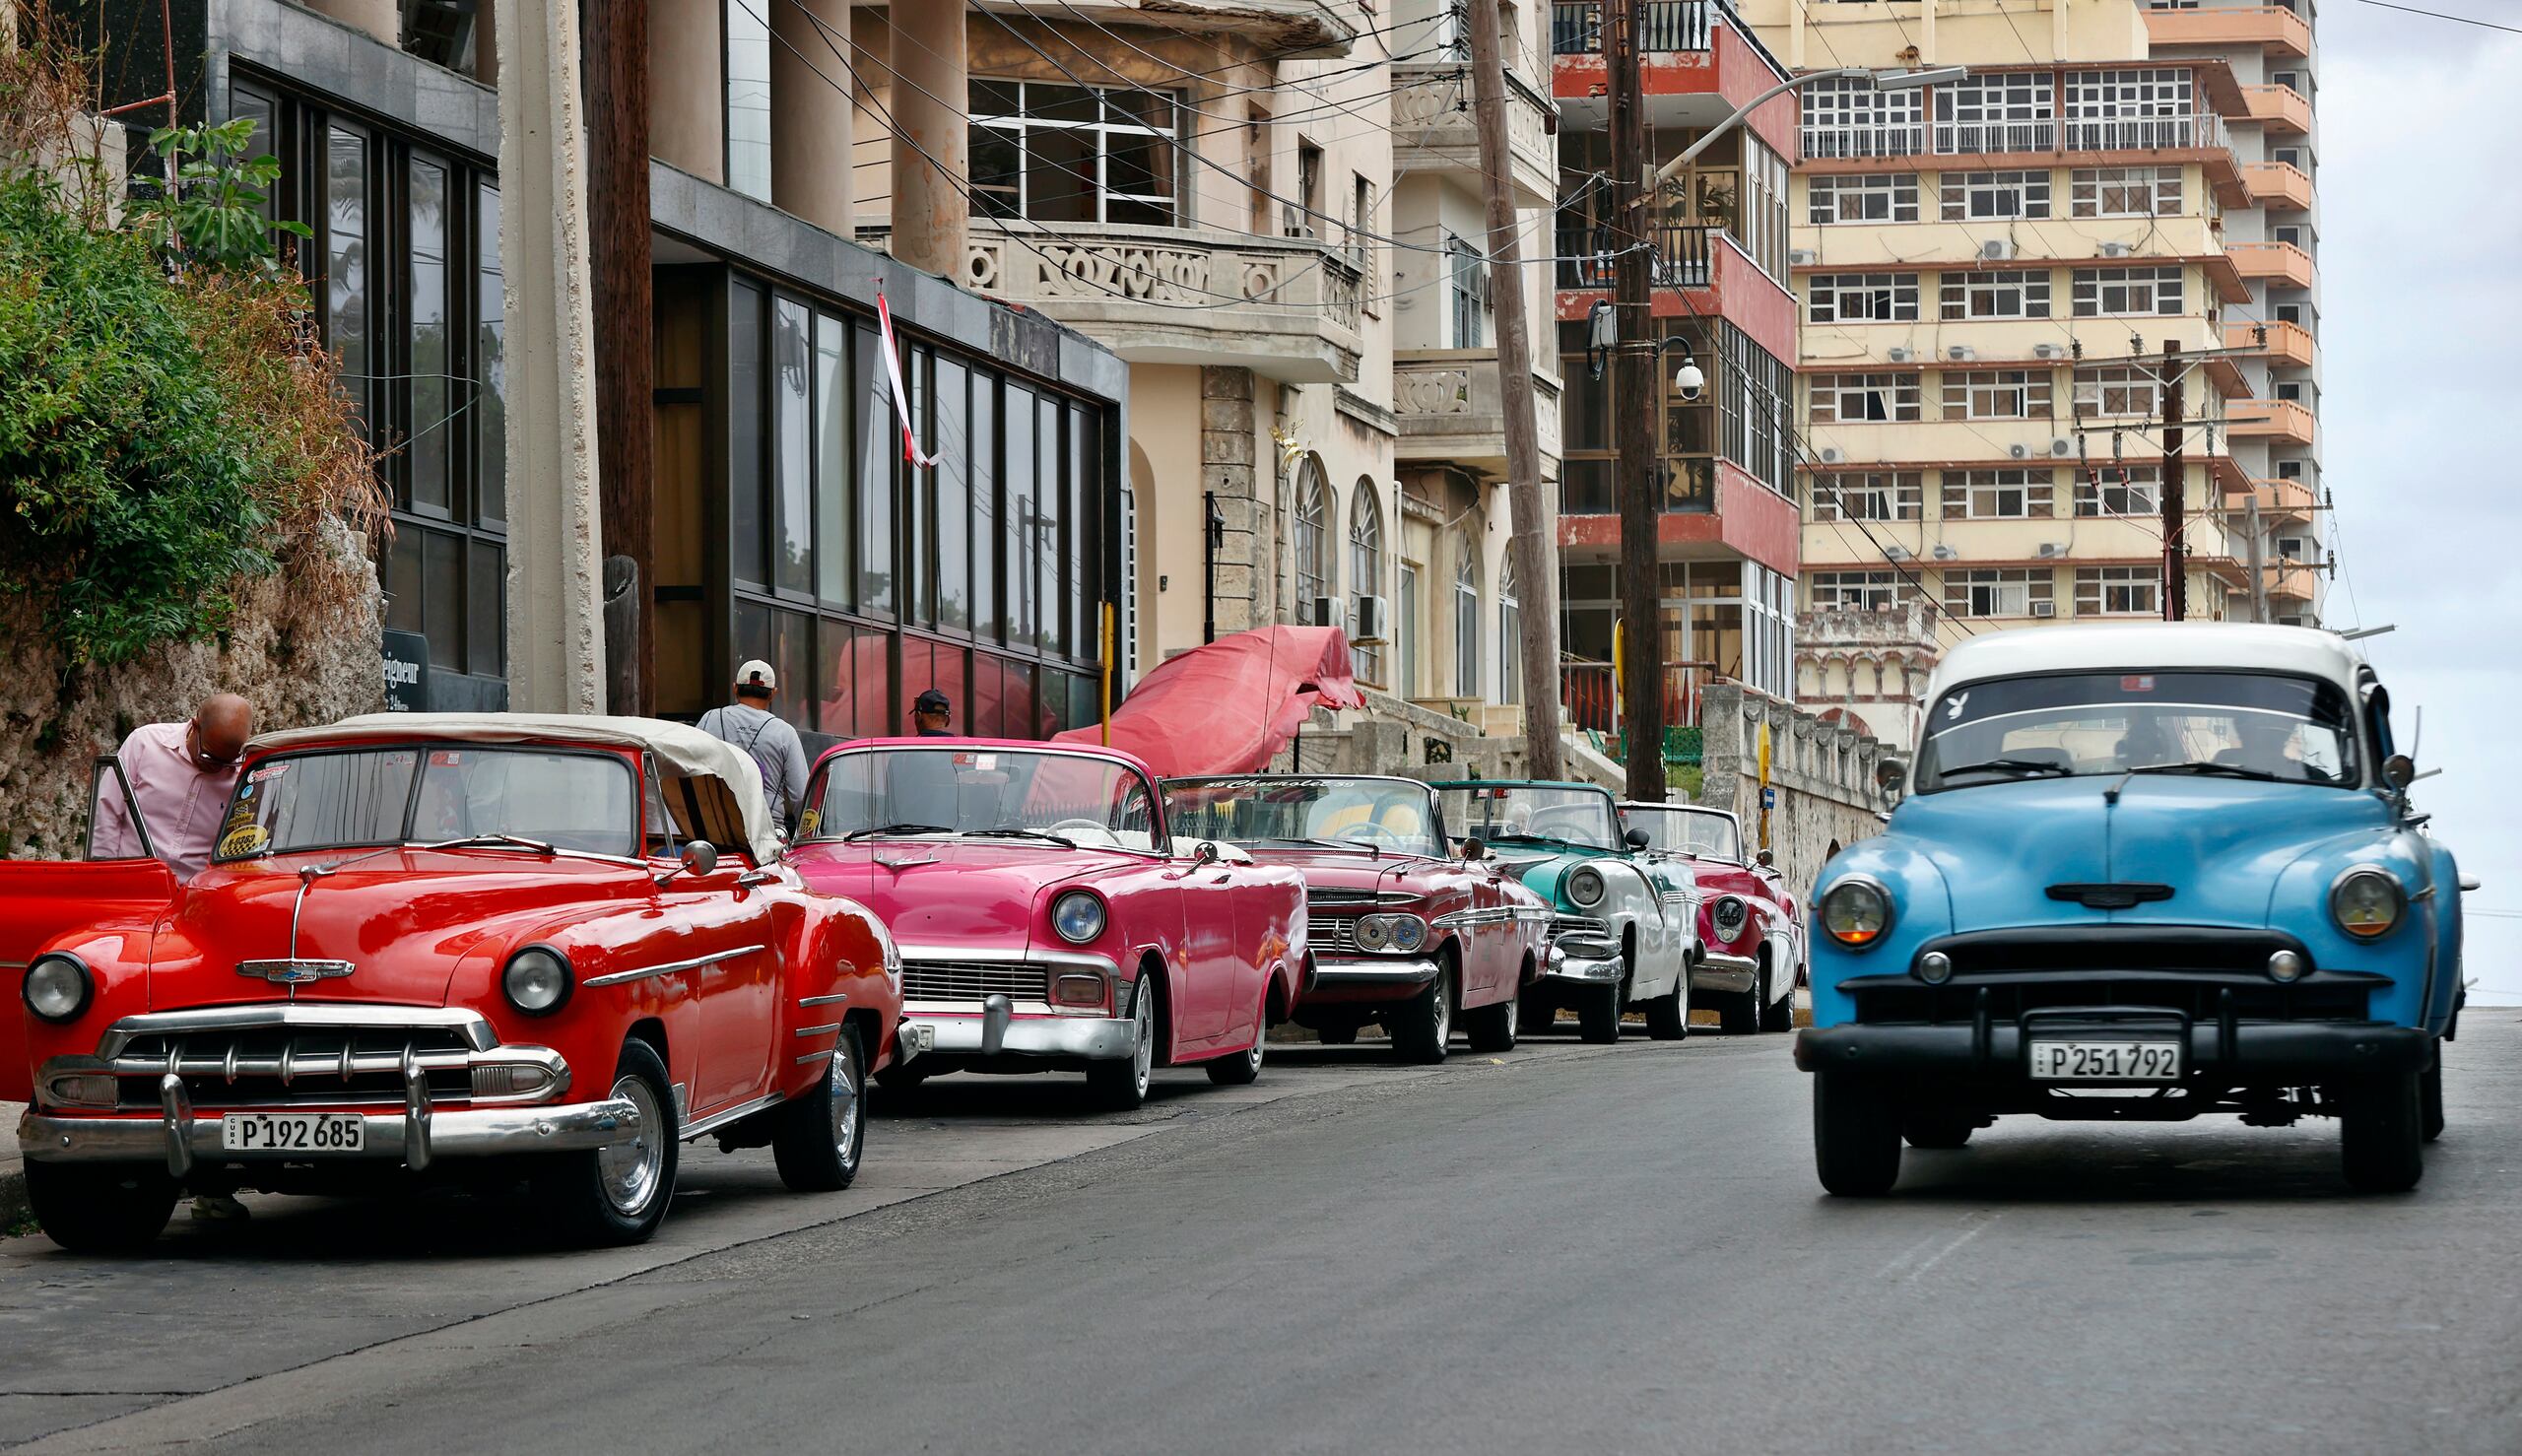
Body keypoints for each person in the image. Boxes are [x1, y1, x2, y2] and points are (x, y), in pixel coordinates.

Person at [91, 694, 252, 882]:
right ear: (195, 725)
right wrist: (103, 875)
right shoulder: (145, 743)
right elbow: (107, 812)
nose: (216, 767)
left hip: (194, 894)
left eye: (227, 763)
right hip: (130, 882)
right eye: (208, 757)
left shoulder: (244, 776)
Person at [697, 661, 812, 838]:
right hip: (766, 834)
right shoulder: (785, 732)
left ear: (735, 688)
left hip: (715, 829)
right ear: (773, 693)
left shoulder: (710, 719)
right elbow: (801, 796)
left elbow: (690, 768)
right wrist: (807, 839)